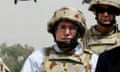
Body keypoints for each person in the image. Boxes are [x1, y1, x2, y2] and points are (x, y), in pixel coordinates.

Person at [21, 6, 98, 72]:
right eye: (62, 27)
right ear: (54, 30)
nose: (67, 32)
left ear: (79, 32)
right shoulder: (38, 58)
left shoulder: (93, 60)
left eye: (72, 28)